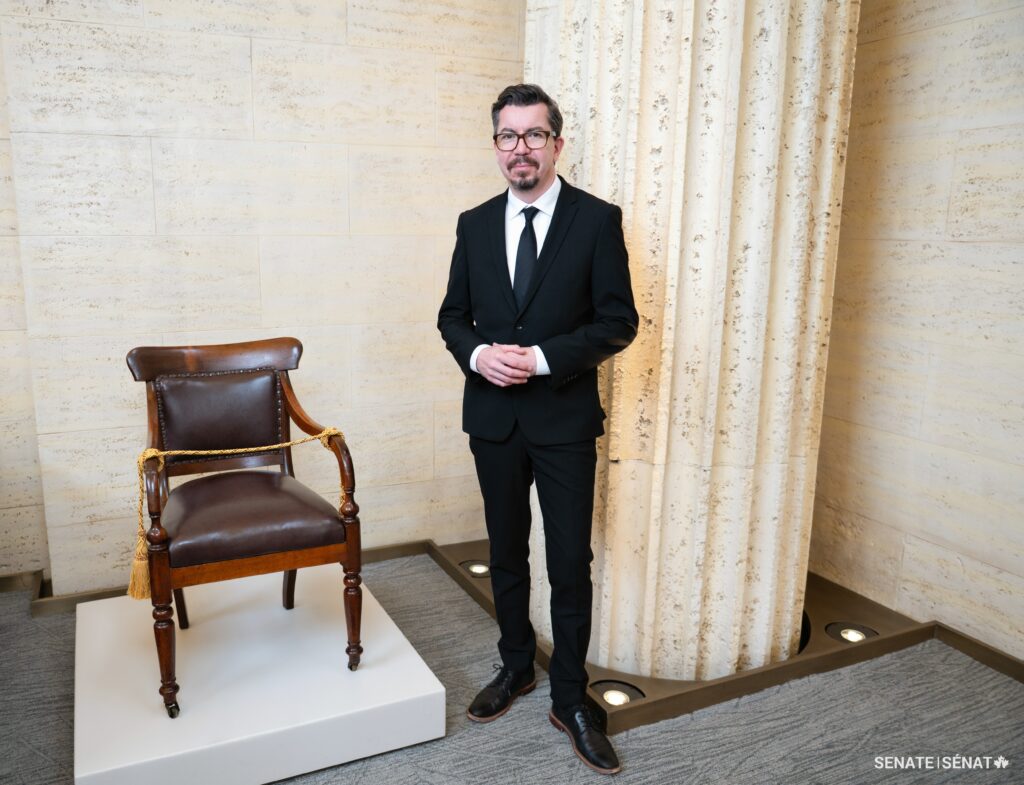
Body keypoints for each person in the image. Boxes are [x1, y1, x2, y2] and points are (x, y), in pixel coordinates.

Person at [437, 83, 638, 775]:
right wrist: (476, 353)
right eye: (507, 136)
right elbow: (452, 316)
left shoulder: (597, 220)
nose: (519, 149)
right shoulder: (472, 222)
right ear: (495, 144)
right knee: (506, 550)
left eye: (533, 135)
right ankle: (516, 665)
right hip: (492, 419)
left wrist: (545, 358)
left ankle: (571, 695)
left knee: (568, 560)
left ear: (557, 141)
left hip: (563, 420)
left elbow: (619, 321)